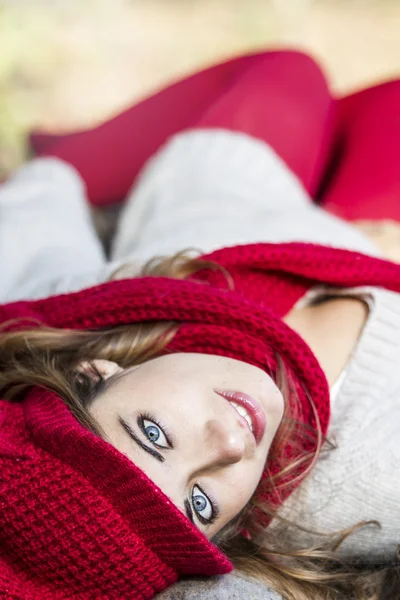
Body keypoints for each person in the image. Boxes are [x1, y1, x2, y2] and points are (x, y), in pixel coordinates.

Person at [1, 50, 400, 600]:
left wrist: (52, 169)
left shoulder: (85, 306)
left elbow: (29, 216)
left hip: (225, 198)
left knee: (288, 71)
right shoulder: (375, 470)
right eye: (200, 504)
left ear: (94, 372)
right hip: (348, 238)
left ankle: (66, 148)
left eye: (155, 435)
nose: (232, 442)